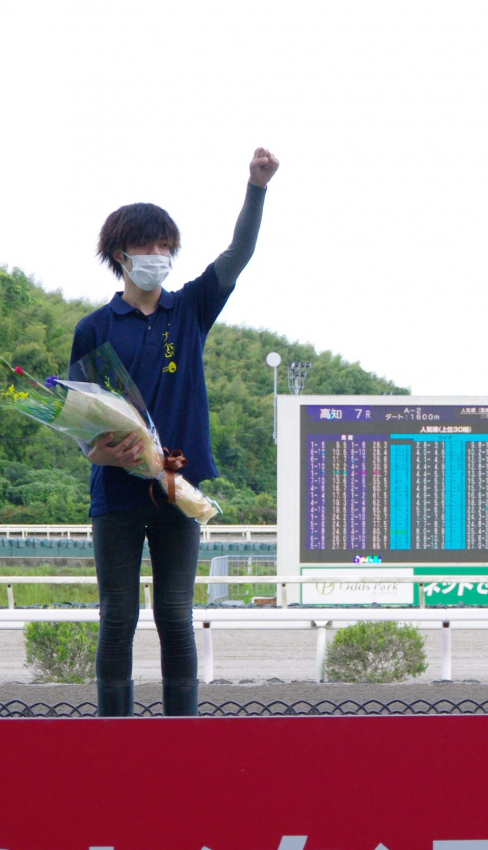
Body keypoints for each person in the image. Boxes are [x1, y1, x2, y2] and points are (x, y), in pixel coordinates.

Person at [72, 148, 280, 717]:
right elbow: (79, 420)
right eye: (149, 246)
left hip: (177, 489)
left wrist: (256, 186)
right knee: (117, 617)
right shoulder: (94, 328)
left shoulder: (188, 312)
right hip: (114, 495)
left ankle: (180, 737)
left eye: (168, 247)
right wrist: (101, 453)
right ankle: (114, 736)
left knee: (174, 615)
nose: (160, 256)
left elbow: (239, 254)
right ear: (122, 254)